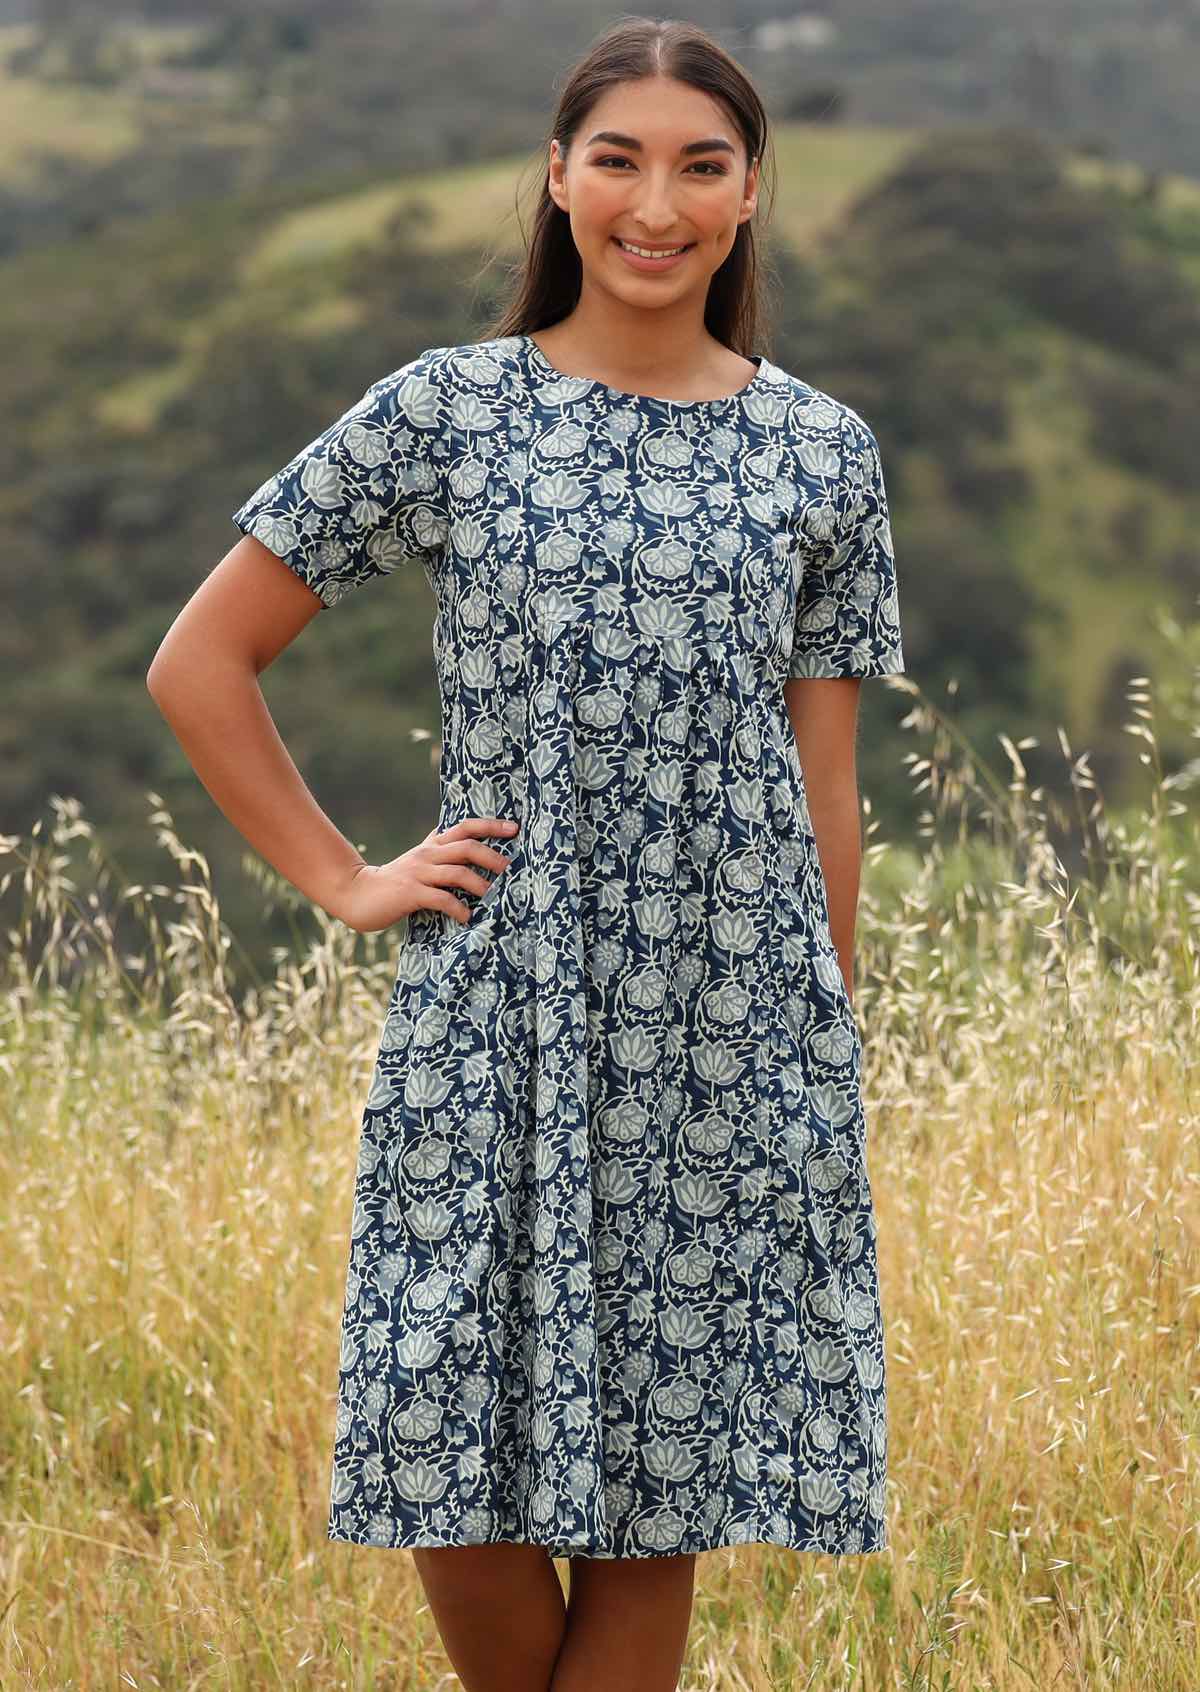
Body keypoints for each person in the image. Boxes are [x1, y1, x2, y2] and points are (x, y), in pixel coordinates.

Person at [147, 16, 905, 1692]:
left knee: (662, 1489)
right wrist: (349, 877)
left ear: (752, 192)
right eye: (618, 159)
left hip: (728, 1022)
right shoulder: (447, 412)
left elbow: (823, 783)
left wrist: (823, 1040)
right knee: (442, 1442)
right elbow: (199, 663)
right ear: (557, 180)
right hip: (502, 997)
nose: (659, 202)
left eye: (702, 164)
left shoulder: (823, 451)